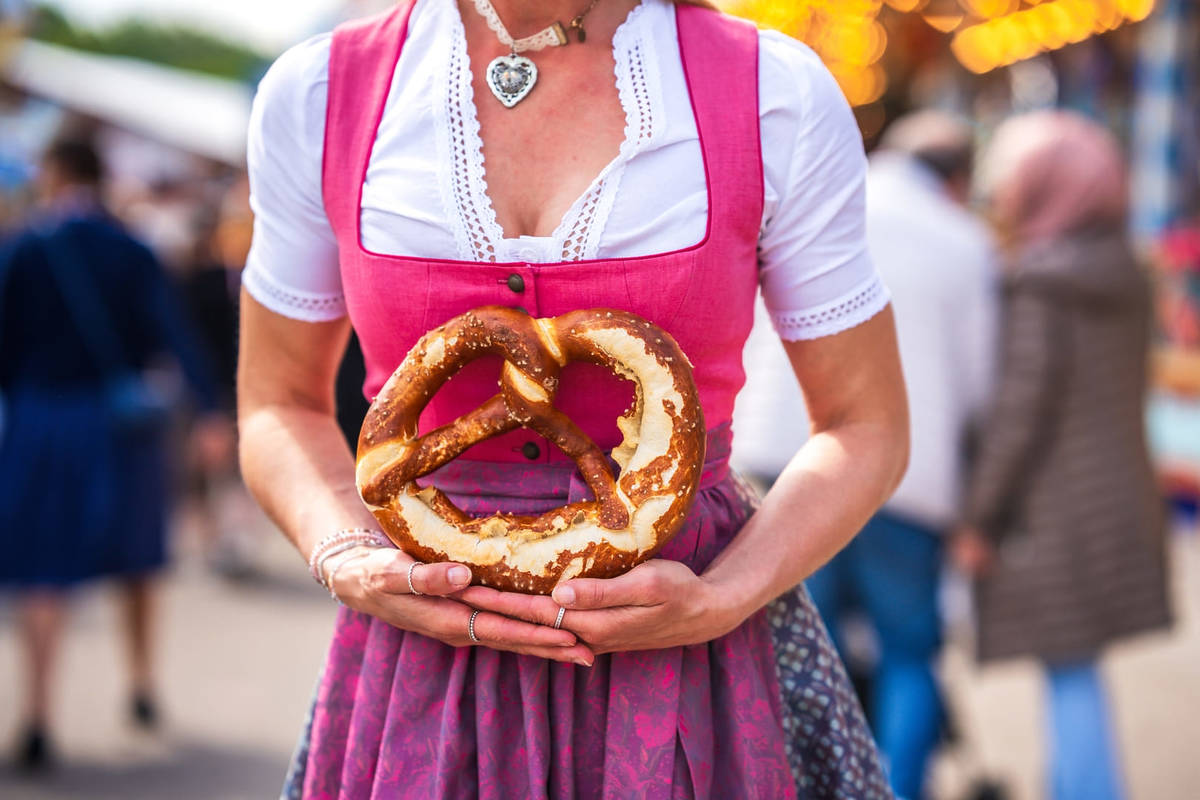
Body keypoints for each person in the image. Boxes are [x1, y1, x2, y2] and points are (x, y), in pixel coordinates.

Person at [237, 0, 909, 796]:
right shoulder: (319, 93)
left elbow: (866, 424)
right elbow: (276, 404)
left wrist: (723, 596)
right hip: (424, 645)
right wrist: (345, 554)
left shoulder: (773, 92)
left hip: (682, 639)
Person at [953, 110, 1172, 800]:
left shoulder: (1042, 284)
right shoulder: (1126, 274)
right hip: (1119, 495)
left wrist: (980, 519)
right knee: (1078, 666)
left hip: (1056, 510)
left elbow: (1022, 412)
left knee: (1069, 670)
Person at [0, 138, 225, 768]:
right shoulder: (132, 249)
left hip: (41, 422)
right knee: (135, 559)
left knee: (42, 570)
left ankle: (38, 713)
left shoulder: (25, 245)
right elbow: (172, 335)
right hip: (121, 428)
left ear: (54, 171)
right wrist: (209, 410)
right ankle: (141, 683)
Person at [803, 111, 998, 799]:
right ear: (957, 178)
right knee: (911, 653)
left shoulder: (821, 202)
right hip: (905, 477)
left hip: (791, 463)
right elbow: (981, 380)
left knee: (806, 653)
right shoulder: (964, 238)